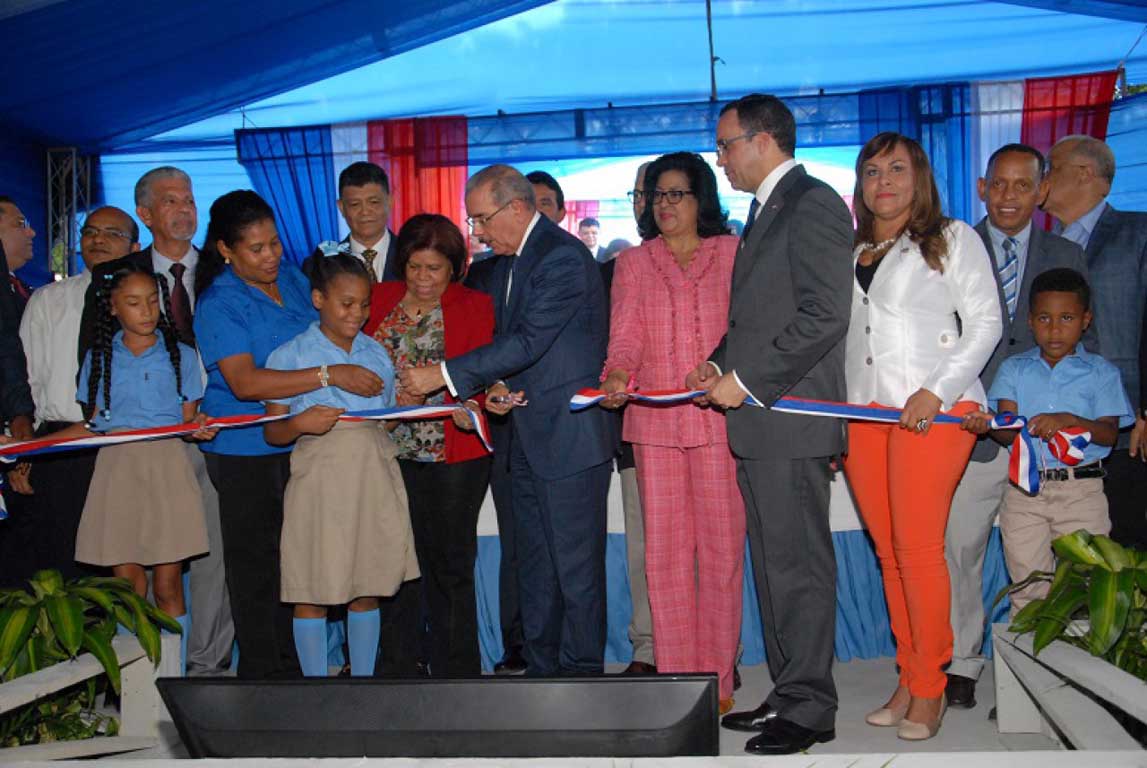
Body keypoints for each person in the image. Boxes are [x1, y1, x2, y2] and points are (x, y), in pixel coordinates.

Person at [399, 164, 617, 676]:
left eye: (480, 219)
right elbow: (516, 353)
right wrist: (495, 386)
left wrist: (444, 375)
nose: (476, 231)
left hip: (569, 439)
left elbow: (529, 340)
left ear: (516, 208)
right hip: (523, 438)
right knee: (535, 571)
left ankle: (584, 682)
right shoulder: (510, 262)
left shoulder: (562, 257)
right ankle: (542, 678)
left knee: (576, 573)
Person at [694, 93, 852, 756]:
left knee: (799, 567)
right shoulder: (766, 209)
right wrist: (717, 362)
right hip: (764, 421)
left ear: (763, 141)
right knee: (774, 566)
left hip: (789, 416)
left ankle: (812, 706)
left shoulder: (810, 202)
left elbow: (823, 315)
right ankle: (791, 691)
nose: (721, 158)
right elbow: (759, 318)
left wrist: (749, 381)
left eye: (726, 144)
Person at [842, 132, 1001, 740]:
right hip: (865, 414)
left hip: (934, 409)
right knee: (889, 556)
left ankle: (932, 688)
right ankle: (910, 677)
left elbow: (985, 322)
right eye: (872, 170)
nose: (884, 181)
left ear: (921, 176)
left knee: (917, 550)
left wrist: (937, 390)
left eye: (897, 168)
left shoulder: (954, 237)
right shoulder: (851, 249)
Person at [194, 190, 384, 679]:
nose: (271, 256)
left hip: (304, 444)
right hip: (245, 449)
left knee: (301, 559)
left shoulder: (297, 282)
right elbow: (245, 382)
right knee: (256, 566)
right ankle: (264, 675)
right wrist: (331, 375)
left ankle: (306, 670)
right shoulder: (220, 304)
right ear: (225, 251)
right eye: (256, 249)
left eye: (274, 243)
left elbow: (335, 331)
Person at [944, 144, 1089, 709]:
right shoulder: (952, 248)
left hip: (1042, 440)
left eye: (1021, 185)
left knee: (1041, 558)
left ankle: (1041, 670)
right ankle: (962, 660)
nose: (1009, 196)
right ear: (982, 189)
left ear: (1042, 190)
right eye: (998, 185)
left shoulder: (1066, 254)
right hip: (972, 432)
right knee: (961, 548)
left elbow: (1082, 344)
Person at [76, 168, 234, 678]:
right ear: (145, 214)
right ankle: (135, 683)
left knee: (201, 564)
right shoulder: (114, 277)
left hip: (200, 443)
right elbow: (93, 392)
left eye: (190, 198)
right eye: (171, 201)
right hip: (124, 460)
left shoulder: (224, 264)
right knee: (130, 579)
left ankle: (196, 671)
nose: (185, 209)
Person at [601, 152, 741, 710]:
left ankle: (719, 680)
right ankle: (680, 680)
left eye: (676, 194)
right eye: (656, 195)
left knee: (722, 552)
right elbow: (626, 336)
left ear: (701, 198)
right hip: (653, 425)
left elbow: (747, 330)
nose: (664, 205)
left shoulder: (733, 254)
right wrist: (616, 372)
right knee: (663, 556)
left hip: (719, 422)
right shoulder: (634, 263)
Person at [262, 253, 418, 677]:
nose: (357, 314)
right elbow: (272, 432)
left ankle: (361, 681)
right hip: (319, 475)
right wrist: (298, 423)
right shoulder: (289, 355)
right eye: (346, 304)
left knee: (366, 580)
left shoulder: (376, 353)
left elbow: (384, 417)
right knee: (312, 580)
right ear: (318, 299)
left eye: (364, 304)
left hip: (371, 471)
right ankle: (315, 688)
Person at [61, 261, 216, 673]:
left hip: (167, 472)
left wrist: (197, 427)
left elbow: (188, 421)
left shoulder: (180, 355)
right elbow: (91, 422)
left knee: (168, 585)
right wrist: (29, 446)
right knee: (129, 588)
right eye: (133, 303)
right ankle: (136, 683)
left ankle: (172, 679)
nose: (146, 311)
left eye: (153, 301)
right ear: (112, 308)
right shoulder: (99, 359)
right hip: (118, 473)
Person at [366, 214, 495, 676]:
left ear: (455, 267)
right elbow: (352, 363)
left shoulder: (476, 305)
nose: (422, 279)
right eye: (415, 267)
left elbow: (482, 373)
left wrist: (463, 400)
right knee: (395, 561)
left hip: (452, 455)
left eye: (434, 269)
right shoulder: (377, 298)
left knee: (450, 562)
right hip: (386, 454)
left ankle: (455, 668)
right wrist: (386, 394)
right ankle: (398, 662)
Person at [963, 268, 1133, 613]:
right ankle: (1031, 657)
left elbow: (1109, 433)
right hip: (1025, 491)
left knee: (1090, 582)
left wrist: (1069, 421)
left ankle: (1084, 661)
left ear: (1085, 320)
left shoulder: (1101, 373)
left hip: (1081, 492)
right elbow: (1008, 433)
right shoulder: (1014, 370)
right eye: (1044, 318)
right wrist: (987, 425)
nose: (1055, 329)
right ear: (1029, 321)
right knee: (1028, 582)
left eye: (1066, 318)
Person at [15, 207, 139, 582]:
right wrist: (28, 450)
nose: (98, 240)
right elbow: (30, 379)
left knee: (123, 561)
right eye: (90, 231)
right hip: (60, 442)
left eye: (112, 233)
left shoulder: (147, 302)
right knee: (62, 561)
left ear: (135, 245)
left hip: (126, 442)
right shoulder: (48, 299)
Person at [1041, 135, 1147, 549]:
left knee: (1130, 545)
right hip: (1058, 431)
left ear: (1084, 173)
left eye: (1051, 167)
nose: (1043, 179)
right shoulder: (1045, 246)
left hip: (1130, 426)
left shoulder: (1137, 232)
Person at [303, 162, 400, 283]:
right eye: (355, 204)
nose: (365, 212)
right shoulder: (317, 266)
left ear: (390, 202)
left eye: (374, 202)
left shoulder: (413, 257)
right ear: (341, 208)